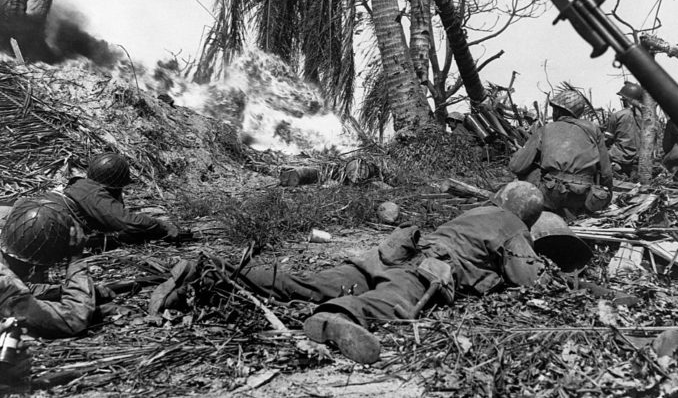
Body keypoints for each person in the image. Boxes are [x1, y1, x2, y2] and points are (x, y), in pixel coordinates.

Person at [237, 181, 546, 364]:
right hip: (420, 270)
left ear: (501, 197)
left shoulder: (476, 212)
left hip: (389, 254)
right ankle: (338, 319)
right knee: (392, 299)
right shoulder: (514, 228)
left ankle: (223, 274)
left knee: (314, 283)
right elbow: (529, 281)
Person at [0, 195, 97, 339]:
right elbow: (73, 319)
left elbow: (21, 287)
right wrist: (76, 260)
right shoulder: (6, 285)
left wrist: (60, 291)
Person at [509, 89, 613, 218]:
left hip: (553, 194)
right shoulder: (593, 129)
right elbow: (606, 172)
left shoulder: (545, 129)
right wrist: (607, 197)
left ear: (557, 111)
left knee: (530, 171)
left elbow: (517, 166)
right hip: (585, 196)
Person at [62, 152, 179, 243]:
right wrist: (162, 225)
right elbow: (126, 220)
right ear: (115, 187)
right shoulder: (94, 193)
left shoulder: (81, 187)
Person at [604, 82, 643, 178]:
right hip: (638, 161)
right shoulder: (647, 117)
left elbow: (607, 141)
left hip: (619, 159)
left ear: (625, 100)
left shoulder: (617, 115)